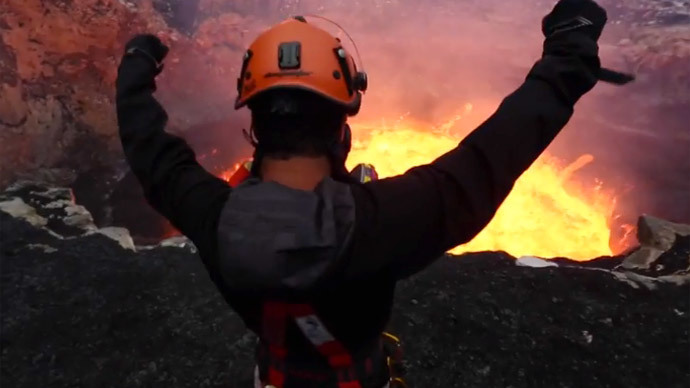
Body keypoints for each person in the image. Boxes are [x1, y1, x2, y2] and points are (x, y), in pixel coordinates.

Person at [115, 1, 608, 387]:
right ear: (342, 131)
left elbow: (152, 152)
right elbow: (496, 150)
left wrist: (136, 68)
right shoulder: (385, 223)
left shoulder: (209, 214)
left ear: (256, 126)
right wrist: (570, 51)